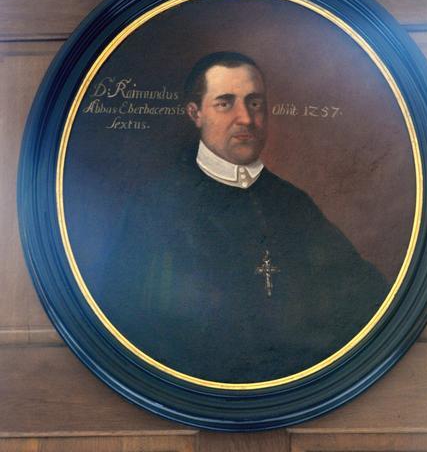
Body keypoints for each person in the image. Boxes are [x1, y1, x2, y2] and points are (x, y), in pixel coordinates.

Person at [95, 52, 389, 383]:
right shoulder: (156, 206)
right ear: (195, 113)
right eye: (225, 103)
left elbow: (364, 298)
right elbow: (132, 322)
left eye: (255, 103)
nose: (246, 118)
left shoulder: (292, 204)